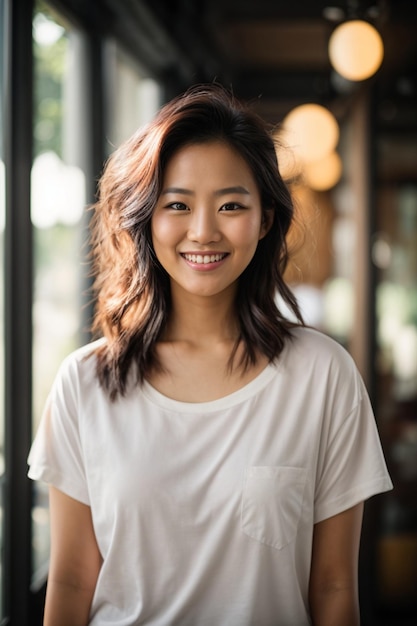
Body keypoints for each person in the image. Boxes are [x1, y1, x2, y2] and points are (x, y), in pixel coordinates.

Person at [28, 84, 392, 626]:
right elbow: (75, 578)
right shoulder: (85, 381)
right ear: (148, 218)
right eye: (177, 204)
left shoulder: (323, 374)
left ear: (265, 219)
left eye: (231, 205)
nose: (203, 231)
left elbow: (335, 583)